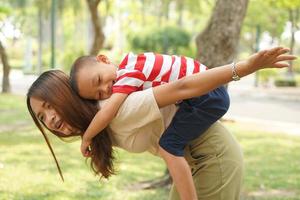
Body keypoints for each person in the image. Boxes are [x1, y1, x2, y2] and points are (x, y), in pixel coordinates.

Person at [27, 47, 296, 200]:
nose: (49, 119)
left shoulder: (115, 108)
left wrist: (244, 68)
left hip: (213, 158)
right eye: (42, 116)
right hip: (196, 160)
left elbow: (183, 87)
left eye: (50, 105)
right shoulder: (101, 115)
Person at [69, 52, 230, 199]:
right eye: (99, 95)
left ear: (104, 59)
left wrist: (87, 138)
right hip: (203, 95)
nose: (105, 89)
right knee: (170, 145)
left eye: (98, 80)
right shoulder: (131, 68)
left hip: (207, 95)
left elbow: (107, 112)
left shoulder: (129, 73)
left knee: (168, 147)